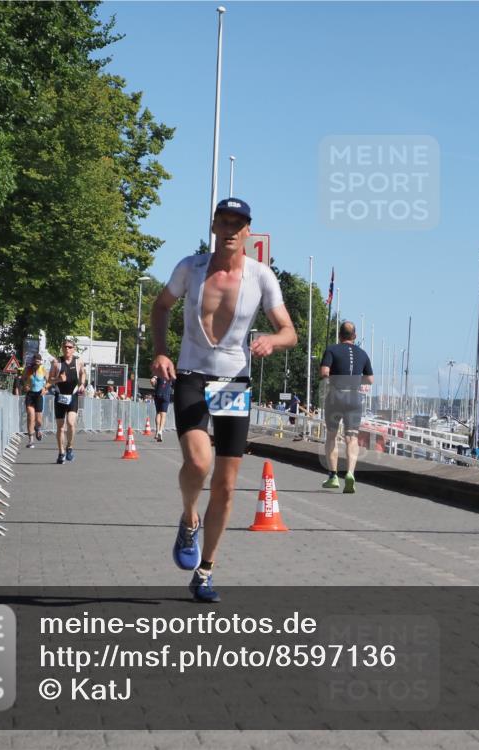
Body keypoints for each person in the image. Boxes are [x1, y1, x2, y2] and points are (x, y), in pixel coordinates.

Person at [151, 197, 297, 603]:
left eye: (239, 222)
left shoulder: (261, 276)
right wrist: (161, 352)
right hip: (193, 375)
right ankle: (188, 517)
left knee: (227, 486)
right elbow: (161, 307)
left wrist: (272, 339)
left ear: (248, 231)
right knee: (198, 462)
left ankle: (205, 570)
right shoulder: (190, 268)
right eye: (224, 220)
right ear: (214, 225)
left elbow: (290, 331)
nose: (231, 228)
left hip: (233, 382)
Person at [320, 321, 374, 494]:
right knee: (352, 438)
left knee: (332, 436)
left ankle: (333, 475)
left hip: (336, 395)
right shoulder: (363, 354)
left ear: (339, 335)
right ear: (355, 336)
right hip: (354, 397)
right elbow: (370, 379)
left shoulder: (332, 350)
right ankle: (350, 473)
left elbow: (324, 372)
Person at [47, 338, 86, 464]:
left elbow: (83, 373)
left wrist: (82, 384)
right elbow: (49, 380)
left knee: (70, 423)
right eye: (65, 347)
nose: (67, 349)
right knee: (60, 427)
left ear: (73, 349)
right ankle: (61, 452)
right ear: (62, 348)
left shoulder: (78, 361)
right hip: (60, 396)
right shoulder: (56, 362)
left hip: (72, 396)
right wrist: (59, 379)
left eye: (70, 347)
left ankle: (70, 446)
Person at [22, 354, 47, 448]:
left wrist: (45, 388)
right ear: (33, 361)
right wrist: (25, 385)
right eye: (35, 361)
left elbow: (49, 382)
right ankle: (30, 440)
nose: (36, 363)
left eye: (38, 361)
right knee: (30, 416)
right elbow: (23, 379)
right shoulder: (28, 369)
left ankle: (37, 428)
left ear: (40, 362)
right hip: (30, 394)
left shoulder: (43, 370)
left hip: (39, 395)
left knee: (39, 420)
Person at [151, 374, 174, 442]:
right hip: (166, 395)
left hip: (158, 394)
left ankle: (157, 431)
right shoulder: (171, 376)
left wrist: (155, 385)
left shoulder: (158, 374)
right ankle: (160, 431)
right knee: (163, 415)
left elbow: (152, 381)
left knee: (158, 413)